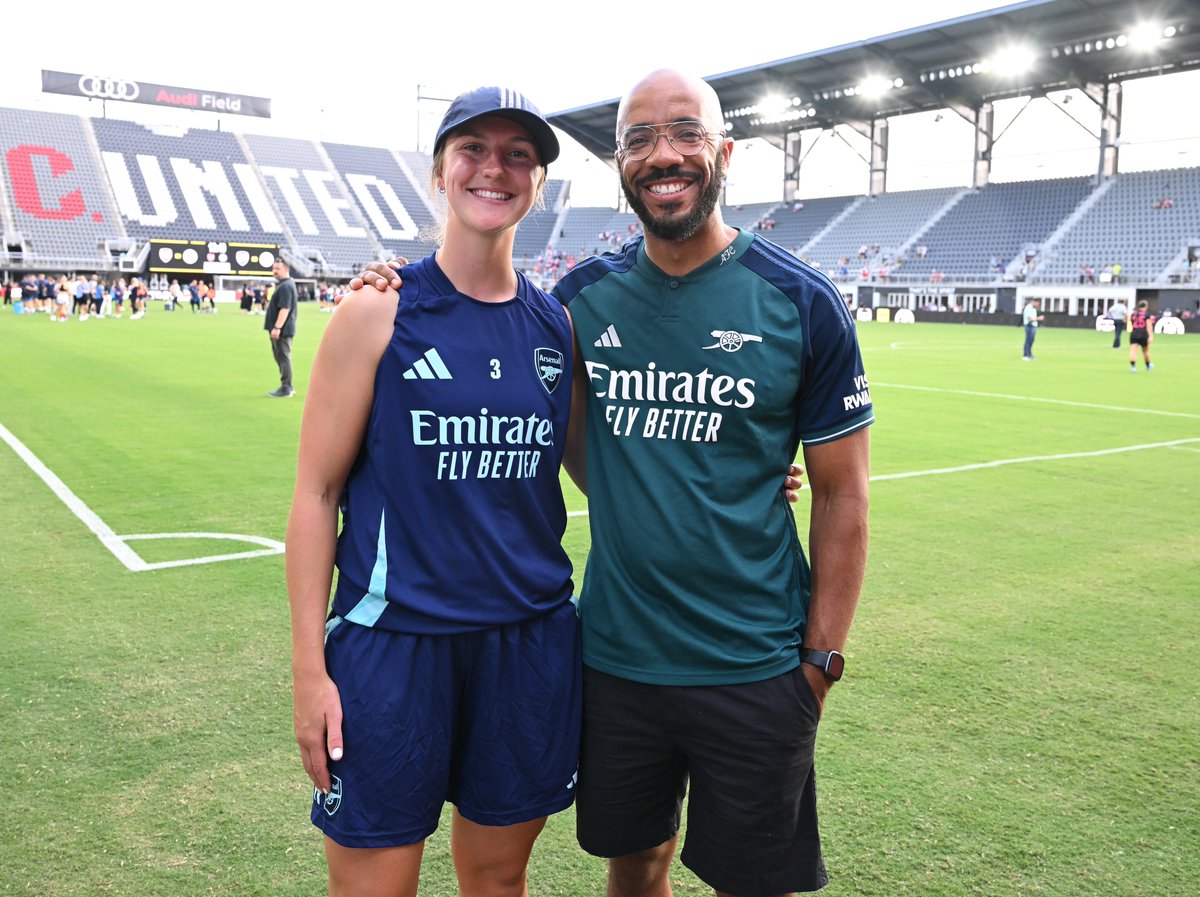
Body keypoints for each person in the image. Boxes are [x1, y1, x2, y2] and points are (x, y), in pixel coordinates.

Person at [357, 67, 869, 897]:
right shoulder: (579, 303)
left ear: (724, 153)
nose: (663, 155)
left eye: (686, 133)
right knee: (634, 865)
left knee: (756, 883)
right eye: (640, 140)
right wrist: (390, 279)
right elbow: (540, 403)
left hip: (757, 660)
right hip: (619, 659)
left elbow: (844, 491)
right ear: (621, 165)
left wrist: (821, 657)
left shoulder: (801, 301)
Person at [287, 86, 586, 897]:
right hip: (393, 645)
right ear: (439, 172)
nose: (495, 168)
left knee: (498, 878)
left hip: (526, 643)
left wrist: (740, 470)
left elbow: (603, 469)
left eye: (518, 155)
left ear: (539, 183)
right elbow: (316, 494)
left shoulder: (554, 325)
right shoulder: (377, 311)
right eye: (473, 149)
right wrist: (309, 669)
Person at [265, 260, 297, 397]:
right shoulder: (284, 285)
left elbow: (285, 308)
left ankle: (286, 387)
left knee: (283, 357)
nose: (275, 271)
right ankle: (287, 386)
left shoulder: (286, 286)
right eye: (274, 268)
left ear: (286, 269)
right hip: (282, 329)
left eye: (278, 268)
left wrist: (277, 327)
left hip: (283, 330)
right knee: (281, 356)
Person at [1128, 300, 1155, 371]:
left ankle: (1133, 367)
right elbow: (1149, 326)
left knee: (1133, 350)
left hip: (1134, 333)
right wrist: (1150, 336)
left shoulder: (1133, 314)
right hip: (1143, 333)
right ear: (1146, 306)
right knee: (1145, 351)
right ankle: (1148, 365)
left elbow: (1131, 323)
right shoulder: (1146, 315)